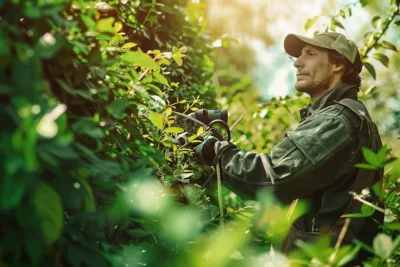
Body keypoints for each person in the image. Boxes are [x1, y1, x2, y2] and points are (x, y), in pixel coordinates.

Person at [195, 32, 384, 264]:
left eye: (311, 54)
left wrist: (214, 151)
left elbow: (272, 179)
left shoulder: (337, 121)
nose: (297, 62)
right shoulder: (344, 117)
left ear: (338, 65)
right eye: (299, 55)